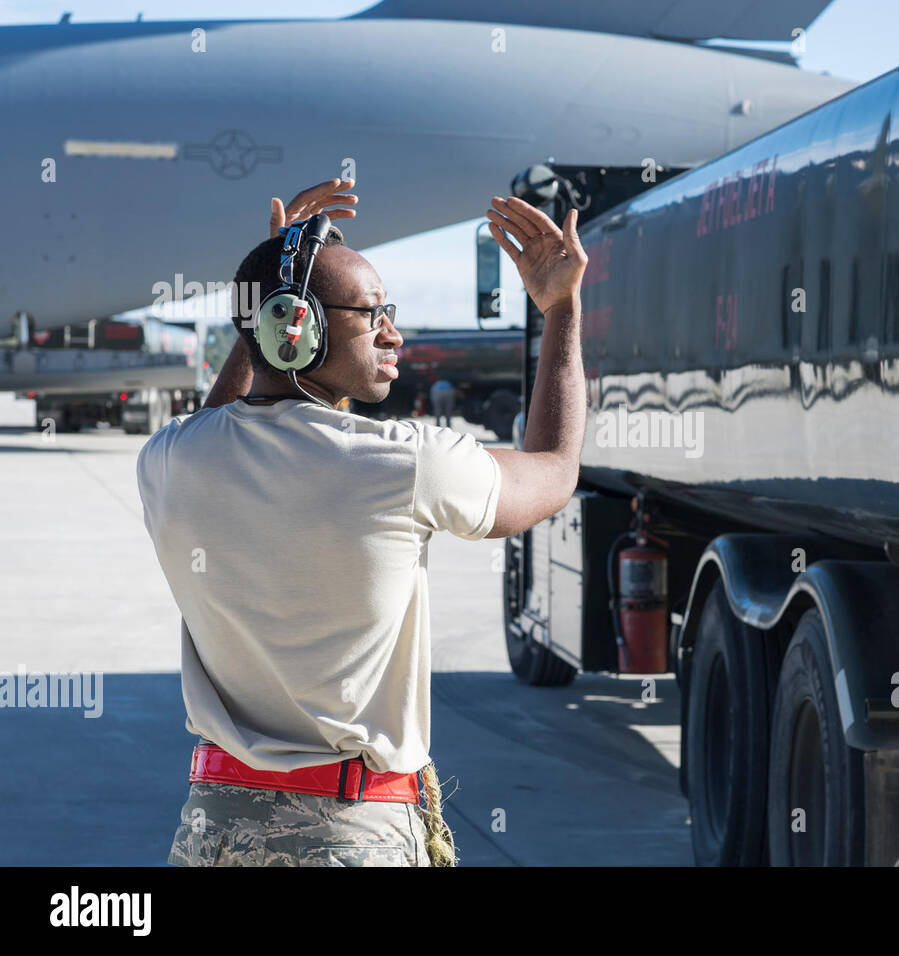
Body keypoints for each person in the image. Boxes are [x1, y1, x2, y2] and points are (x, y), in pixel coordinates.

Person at [137, 178, 587, 866]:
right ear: (299, 326)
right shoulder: (402, 465)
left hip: (209, 834)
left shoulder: (168, 460)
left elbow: (218, 419)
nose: (393, 334)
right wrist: (561, 309)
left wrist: (272, 278)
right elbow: (554, 468)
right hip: (351, 835)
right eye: (371, 314)